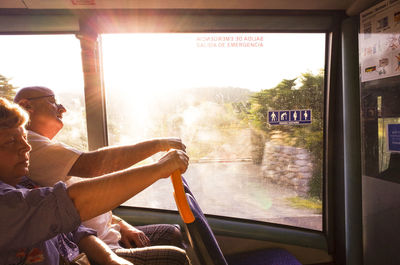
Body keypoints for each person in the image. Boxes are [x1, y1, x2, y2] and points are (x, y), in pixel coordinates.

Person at [0, 97, 190, 265]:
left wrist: (111, 259)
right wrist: (159, 168)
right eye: (11, 141)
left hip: (81, 256)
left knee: (170, 234)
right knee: (173, 258)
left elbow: (75, 230)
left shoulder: (25, 183)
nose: (26, 147)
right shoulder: (7, 205)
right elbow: (73, 201)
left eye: (24, 138)